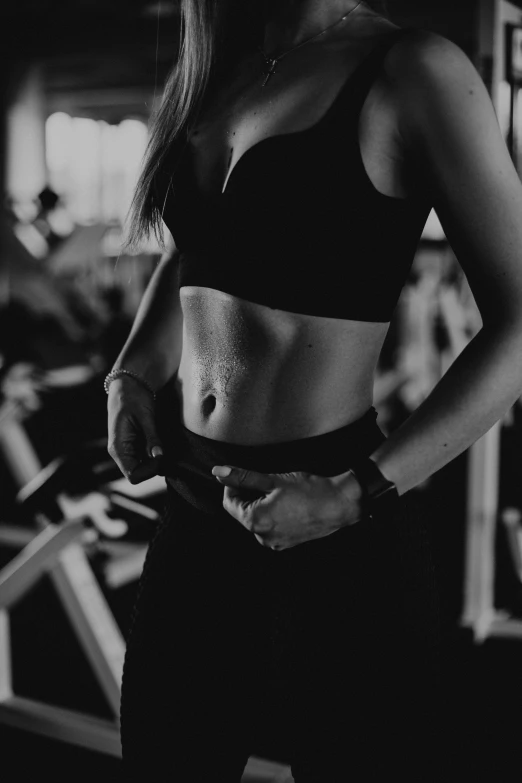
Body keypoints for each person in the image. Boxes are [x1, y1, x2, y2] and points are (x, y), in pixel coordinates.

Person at [107, 1, 522, 780]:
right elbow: (196, 247)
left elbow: (520, 323)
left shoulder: (412, 70)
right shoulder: (221, 68)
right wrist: (132, 372)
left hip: (338, 518)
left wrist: (356, 491)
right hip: (199, 513)